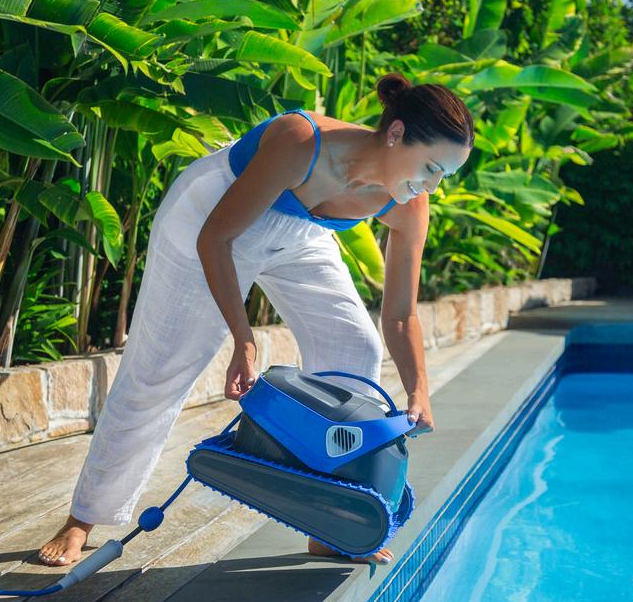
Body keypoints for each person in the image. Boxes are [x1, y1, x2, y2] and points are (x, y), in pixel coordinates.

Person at [37, 73, 474, 567]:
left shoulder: (409, 202)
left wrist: (419, 390)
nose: (432, 185)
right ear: (395, 134)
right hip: (210, 217)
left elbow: (399, 314)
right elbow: (215, 239)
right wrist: (243, 340)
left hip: (301, 233)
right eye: (431, 167)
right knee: (161, 369)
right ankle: (83, 519)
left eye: (444, 175)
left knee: (354, 345)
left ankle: (327, 522)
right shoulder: (301, 141)